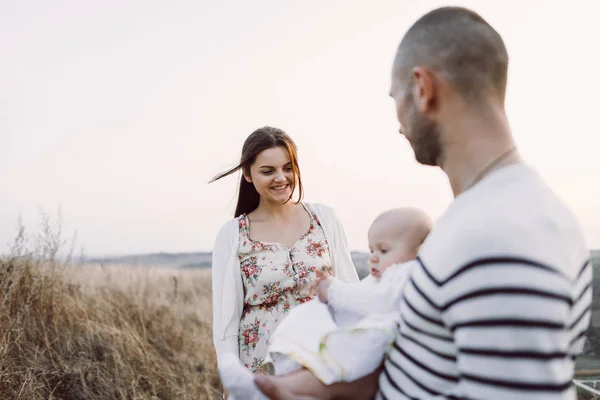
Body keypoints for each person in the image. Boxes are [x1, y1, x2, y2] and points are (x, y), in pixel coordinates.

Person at [250, 6, 593, 400]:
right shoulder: (494, 216)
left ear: (423, 88)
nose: (398, 123)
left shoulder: (498, 230)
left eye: (396, 98)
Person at [218, 208, 432, 399]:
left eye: (383, 250)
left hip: (371, 355)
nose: (374, 258)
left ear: (419, 250)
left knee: (324, 380)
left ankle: (265, 388)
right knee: (319, 378)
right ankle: (267, 389)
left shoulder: (405, 275)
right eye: (371, 250)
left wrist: (334, 291)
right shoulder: (385, 277)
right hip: (367, 355)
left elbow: (377, 301)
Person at [210, 126, 360, 393]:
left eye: (288, 168)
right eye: (268, 171)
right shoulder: (232, 234)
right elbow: (226, 321)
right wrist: (233, 380)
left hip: (321, 360)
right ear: (247, 174)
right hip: (261, 365)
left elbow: (350, 293)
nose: (281, 178)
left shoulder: (324, 219)